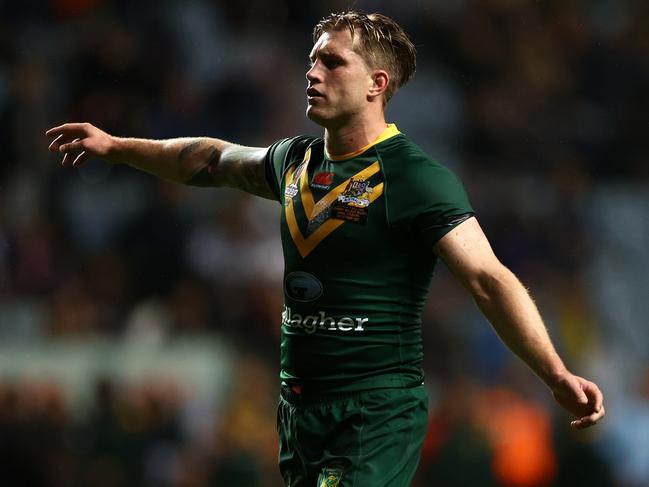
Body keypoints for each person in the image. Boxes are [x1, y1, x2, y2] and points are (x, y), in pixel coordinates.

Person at [46, 11, 605, 487]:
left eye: (332, 62)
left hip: (374, 412)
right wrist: (118, 146)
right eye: (312, 60)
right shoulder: (296, 160)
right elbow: (208, 159)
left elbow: (488, 279)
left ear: (376, 84)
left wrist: (555, 374)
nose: (312, 73)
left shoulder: (415, 178)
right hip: (299, 411)